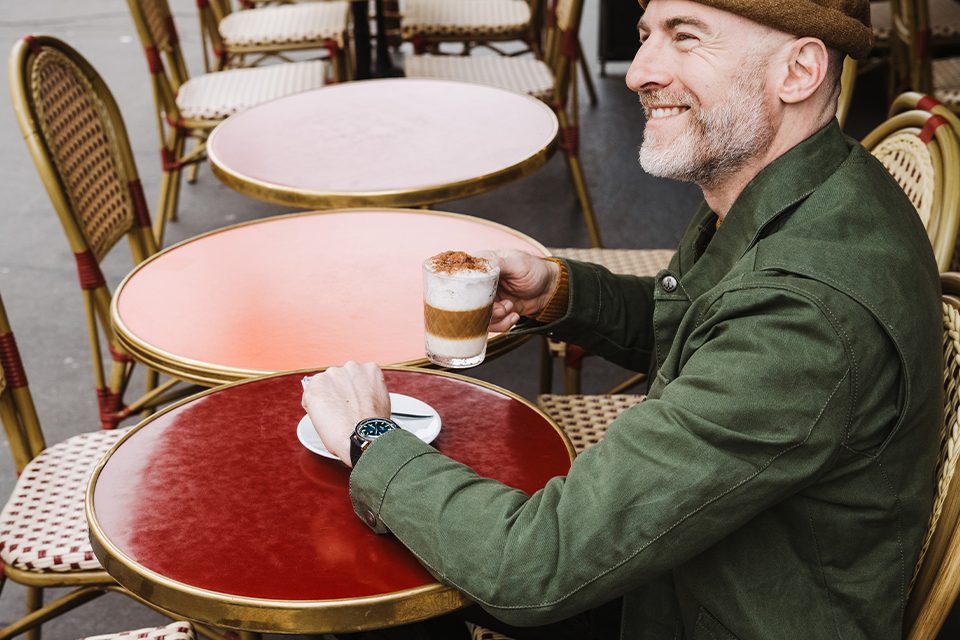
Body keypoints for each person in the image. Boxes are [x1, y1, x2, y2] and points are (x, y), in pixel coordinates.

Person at [302, 0, 944, 637]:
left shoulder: (804, 316)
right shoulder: (795, 186)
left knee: (365, 560)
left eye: (686, 37)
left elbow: (531, 567)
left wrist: (371, 435)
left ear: (798, 72)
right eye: (645, 36)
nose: (639, 71)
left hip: (702, 611)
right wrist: (558, 292)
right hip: (693, 563)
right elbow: (714, 328)